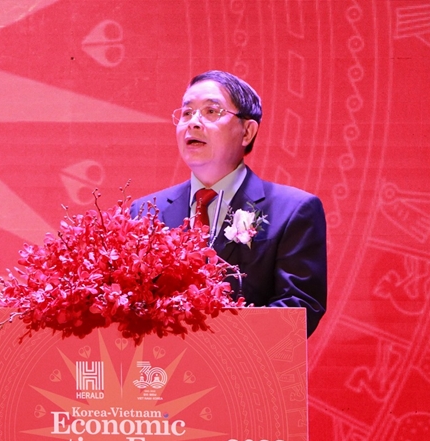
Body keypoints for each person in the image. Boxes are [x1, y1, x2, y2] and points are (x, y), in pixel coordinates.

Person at [130, 70, 327, 336]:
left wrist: (216, 345)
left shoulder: (293, 211)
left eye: (211, 111)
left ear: (247, 131)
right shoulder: (145, 213)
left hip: (247, 359)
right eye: (187, 113)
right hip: (160, 362)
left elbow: (298, 308)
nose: (193, 122)